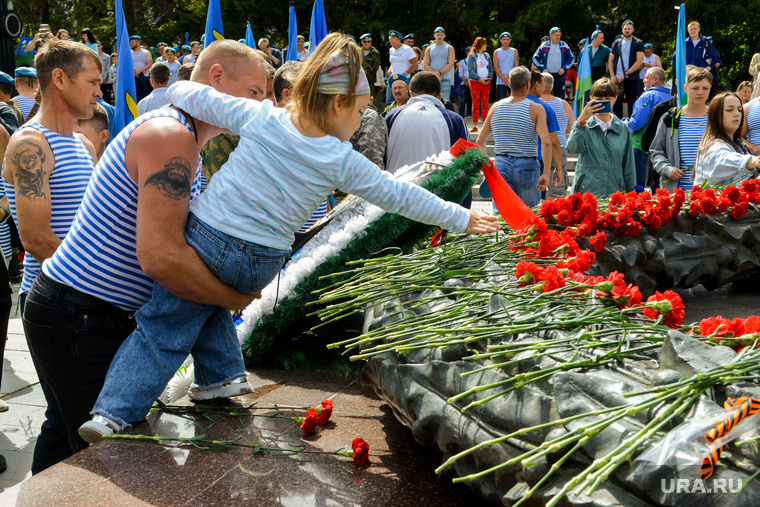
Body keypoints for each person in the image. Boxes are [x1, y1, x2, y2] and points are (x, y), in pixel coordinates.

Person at [78, 33, 500, 441]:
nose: (358, 122)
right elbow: (401, 196)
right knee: (207, 301)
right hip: (263, 265)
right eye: (359, 111)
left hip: (210, 239)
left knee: (164, 325)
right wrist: (461, 218)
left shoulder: (262, 117)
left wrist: (176, 93)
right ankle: (220, 379)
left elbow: (196, 96)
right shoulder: (342, 160)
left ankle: (114, 410)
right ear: (338, 103)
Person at [20, 39, 267, 460]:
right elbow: (160, 257)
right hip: (79, 314)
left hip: (88, 312)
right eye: (255, 93)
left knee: (69, 439)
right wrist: (233, 297)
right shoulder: (170, 135)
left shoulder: (185, 138)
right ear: (217, 78)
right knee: (112, 458)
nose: (264, 107)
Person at [3, 40, 100, 474]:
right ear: (59, 80)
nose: (100, 91)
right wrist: (99, 283)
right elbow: (37, 239)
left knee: (75, 419)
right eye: (93, 81)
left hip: (88, 302)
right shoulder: (30, 144)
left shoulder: (81, 143)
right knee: (70, 421)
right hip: (57, 302)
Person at [477, 66, 555, 207]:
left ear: (509, 83)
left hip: (501, 163)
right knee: (529, 215)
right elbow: (546, 142)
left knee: (503, 214)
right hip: (527, 165)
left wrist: (487, 170)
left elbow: (480, 140)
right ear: (528, 84)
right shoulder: (536, 109)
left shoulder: (495, 107)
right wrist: (546, 173)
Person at [385, 71, 468, 174]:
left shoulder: (392, 115)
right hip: (435, 187)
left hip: (397, 186)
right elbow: (464, 165)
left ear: (411, 93)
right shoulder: (454, 119)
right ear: (439, 96)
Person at [566, 77, 635, 196]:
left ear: (615, 99)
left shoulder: (623, 129)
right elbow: (572, 149)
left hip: (614, 194)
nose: (603, 102)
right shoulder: (583, 125)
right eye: (599, 99)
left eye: (608, 99)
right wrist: (581, 122)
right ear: (591, 99)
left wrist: (631, 195)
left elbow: (629, 167)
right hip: (586, 192)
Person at [650, 67, 712, 192]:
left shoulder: (716, 118)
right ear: (685, 88)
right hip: (677, 193)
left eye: (705, 88)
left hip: (709, 192)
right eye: (695, 88)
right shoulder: (670, 118)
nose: (700, 92)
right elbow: (656, 151)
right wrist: (668, 169)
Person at [694, 92, 760, 187]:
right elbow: (722, 161)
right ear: (715, 115)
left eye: (739, 110)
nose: (737, 114)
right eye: (729, 110)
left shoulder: (739, 144)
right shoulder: (713, 145)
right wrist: (754, 161)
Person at [626, 67, 671, 188]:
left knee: (636, 185)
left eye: (646, 77)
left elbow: (637, 122)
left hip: (642, 147)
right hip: (665, 149)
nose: (643, 81)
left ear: (656, 79)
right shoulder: (672, 98)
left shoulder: (647, 96)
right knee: (657, 186)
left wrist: (626, 127)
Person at [540, 73, 575, 198]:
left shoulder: (533, 104)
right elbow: (573, 128)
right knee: (558, 186)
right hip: (559, 146)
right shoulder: (564, 104)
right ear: (553, 86)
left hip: (539, 147)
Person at [608, 20, 644, 118]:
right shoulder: (616, 43)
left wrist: (626, 73)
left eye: (629, 29)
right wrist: (612, 75)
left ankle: (631, 126)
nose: (627, 30)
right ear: (622, 30)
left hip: (631, 78)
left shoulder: (638, 43)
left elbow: (639, 61)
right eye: (625, 29)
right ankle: (617, 124)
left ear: (633, 30)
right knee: (616, 103)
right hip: (616, 79)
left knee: (632, 102)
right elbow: (610, 60)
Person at [531, 27, 574, 99]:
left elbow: (571, 58)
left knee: (560, 97)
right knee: (544, 96)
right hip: (546, 76)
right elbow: (535, 58)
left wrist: (564, 68)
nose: (558, 37)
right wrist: (543, 68)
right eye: (556, 35)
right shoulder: (544, 45)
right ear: (550, 35)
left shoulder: (564, 45)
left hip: (560, 76)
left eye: (559, 35)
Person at [683, 21, 721, 99]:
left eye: (695, 29)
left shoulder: (705, 42)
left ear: (699, 29)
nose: (693, 31)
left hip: (700, 72)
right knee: (687, 93)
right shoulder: (684, 42)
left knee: (699, 93)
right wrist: (677, 69)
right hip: (687, 71)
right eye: (691, 29)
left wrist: (710, 66)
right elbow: (675, 56)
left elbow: (715, 55)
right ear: (688, 31)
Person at [467, 37, 493, 132]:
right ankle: (476, 125)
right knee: (476, 103)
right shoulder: (472, 55)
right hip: (475, 82)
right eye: (484, 44)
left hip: (486, 82)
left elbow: (491, 68)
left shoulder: (487, 55)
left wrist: (490, 77)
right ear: (480, 45)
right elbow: (470, 70)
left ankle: (486, 125)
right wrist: (479, 79)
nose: (486, 46)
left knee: (485, 104)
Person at [423, 27, 456, 102]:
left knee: (445, 102)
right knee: (431, 101)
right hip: (432, 79)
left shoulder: (449, 48)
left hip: (445, 78)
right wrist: (436, 74)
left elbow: (450, 64)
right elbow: (425, 65)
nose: (439, 36)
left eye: (441, 34)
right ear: (434, 35)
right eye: (438, 34)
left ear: (444, 36)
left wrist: (439, 73)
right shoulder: (429, 48)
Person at [386, 30, 417, 104]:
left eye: (394, 43)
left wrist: (406, 73)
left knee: (406, 101)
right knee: (389, 102)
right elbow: (393, 62)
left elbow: (415, 64)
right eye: (391, 43)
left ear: (399, 40)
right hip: (393, 78)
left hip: (404, 79)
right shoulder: (391, 50)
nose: (392, 45)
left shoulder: (407, 49)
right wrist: (390, 69)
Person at [494, 32, 519, 101]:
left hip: (512, 81)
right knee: (500, 101)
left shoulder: (514, 51)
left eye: (507, 39)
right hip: (500, 81)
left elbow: (516, 66)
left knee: (514, 101)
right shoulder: (496, 52)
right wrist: (503, 78)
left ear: (510, 40)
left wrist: (508, 77)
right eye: (504, 39)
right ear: (500, 40)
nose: (505, 41)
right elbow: (496, 67)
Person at [130, 35, 154, 101]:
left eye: (132, 42)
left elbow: (149, 64)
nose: (131, 44)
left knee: (145, 98)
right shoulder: (129, 53)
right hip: (132, 78)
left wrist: (139, 71)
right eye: (131, 42)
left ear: (138, 42)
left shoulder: (146, 52)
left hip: (144, 78)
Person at [458, 47, 472, 118]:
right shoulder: (462, 62)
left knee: (472, 99)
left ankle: (469, 113)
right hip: (464, 82)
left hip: (473, 82)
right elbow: (460, 73)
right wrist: (466, 81)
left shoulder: (475, 61)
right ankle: (461, 114)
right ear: (466, 52)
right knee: (463, 99)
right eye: (469, 51)